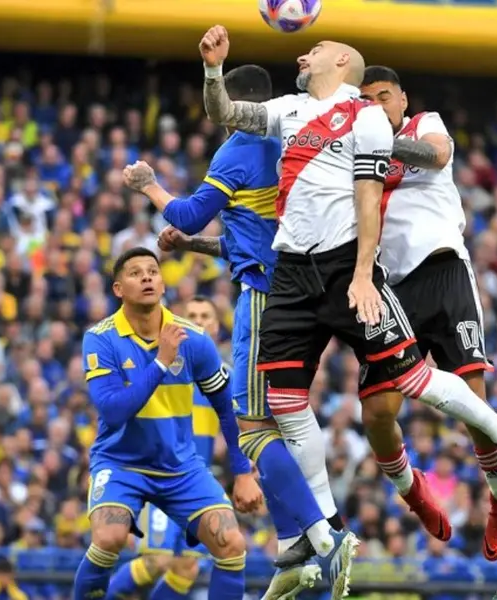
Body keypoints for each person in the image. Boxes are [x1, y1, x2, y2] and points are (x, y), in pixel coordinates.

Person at [197, 24, 497, 573]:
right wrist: (214, 69)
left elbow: (376, 187)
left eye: (317, 50)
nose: (303, 53)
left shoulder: (375, 117)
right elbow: (226, 114)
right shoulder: (289, 109)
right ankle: (329, 526)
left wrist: (360, 271)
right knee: (300, 404)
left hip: (388, 267)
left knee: (430, 385)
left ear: (341, 65)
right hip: (295, 270)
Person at [121, 64, 332, 598]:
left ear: (233, 102)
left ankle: (323, 531)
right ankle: (295, 540)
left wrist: (149, 186)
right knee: (277, 421)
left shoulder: (241, 146)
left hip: (264, 294)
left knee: (252, 423)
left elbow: (191, 214)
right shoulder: (293, 144)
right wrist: (194, 248)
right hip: (305, 293)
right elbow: (249, 234)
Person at [358, 65, 497, 561]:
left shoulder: (422, 124)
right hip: (389, 286)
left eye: (383, 97)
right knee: (378, 411)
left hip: (443, 270)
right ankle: (412, 489)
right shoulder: (351, 153)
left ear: (402, 99)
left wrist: (377, 140)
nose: (375, 106)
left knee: (472, 401)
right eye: (365, 101)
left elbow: (437, 155)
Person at [72, 247, 262, 600]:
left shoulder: (194, 340)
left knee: (232, 544)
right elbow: (113, 411)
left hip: (181, 468)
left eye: (152, 271)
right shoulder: (100, 338)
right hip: (121, 463)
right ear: (118, 289)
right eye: (135, 273)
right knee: (109, 539)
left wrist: (242, 472)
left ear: (162, 285)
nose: (146, 277)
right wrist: (161, 362)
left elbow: (225, 407)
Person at [108, 296, 251, 600]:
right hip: (158, 476)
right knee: (155, 560)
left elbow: (240, 426)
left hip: (196, 483)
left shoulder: (226, 377)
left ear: (216, 327)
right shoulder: (159, 369)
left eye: (206, 315)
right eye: (192, 315)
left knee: (187, 567)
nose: (198, 321)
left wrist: (246, 470)